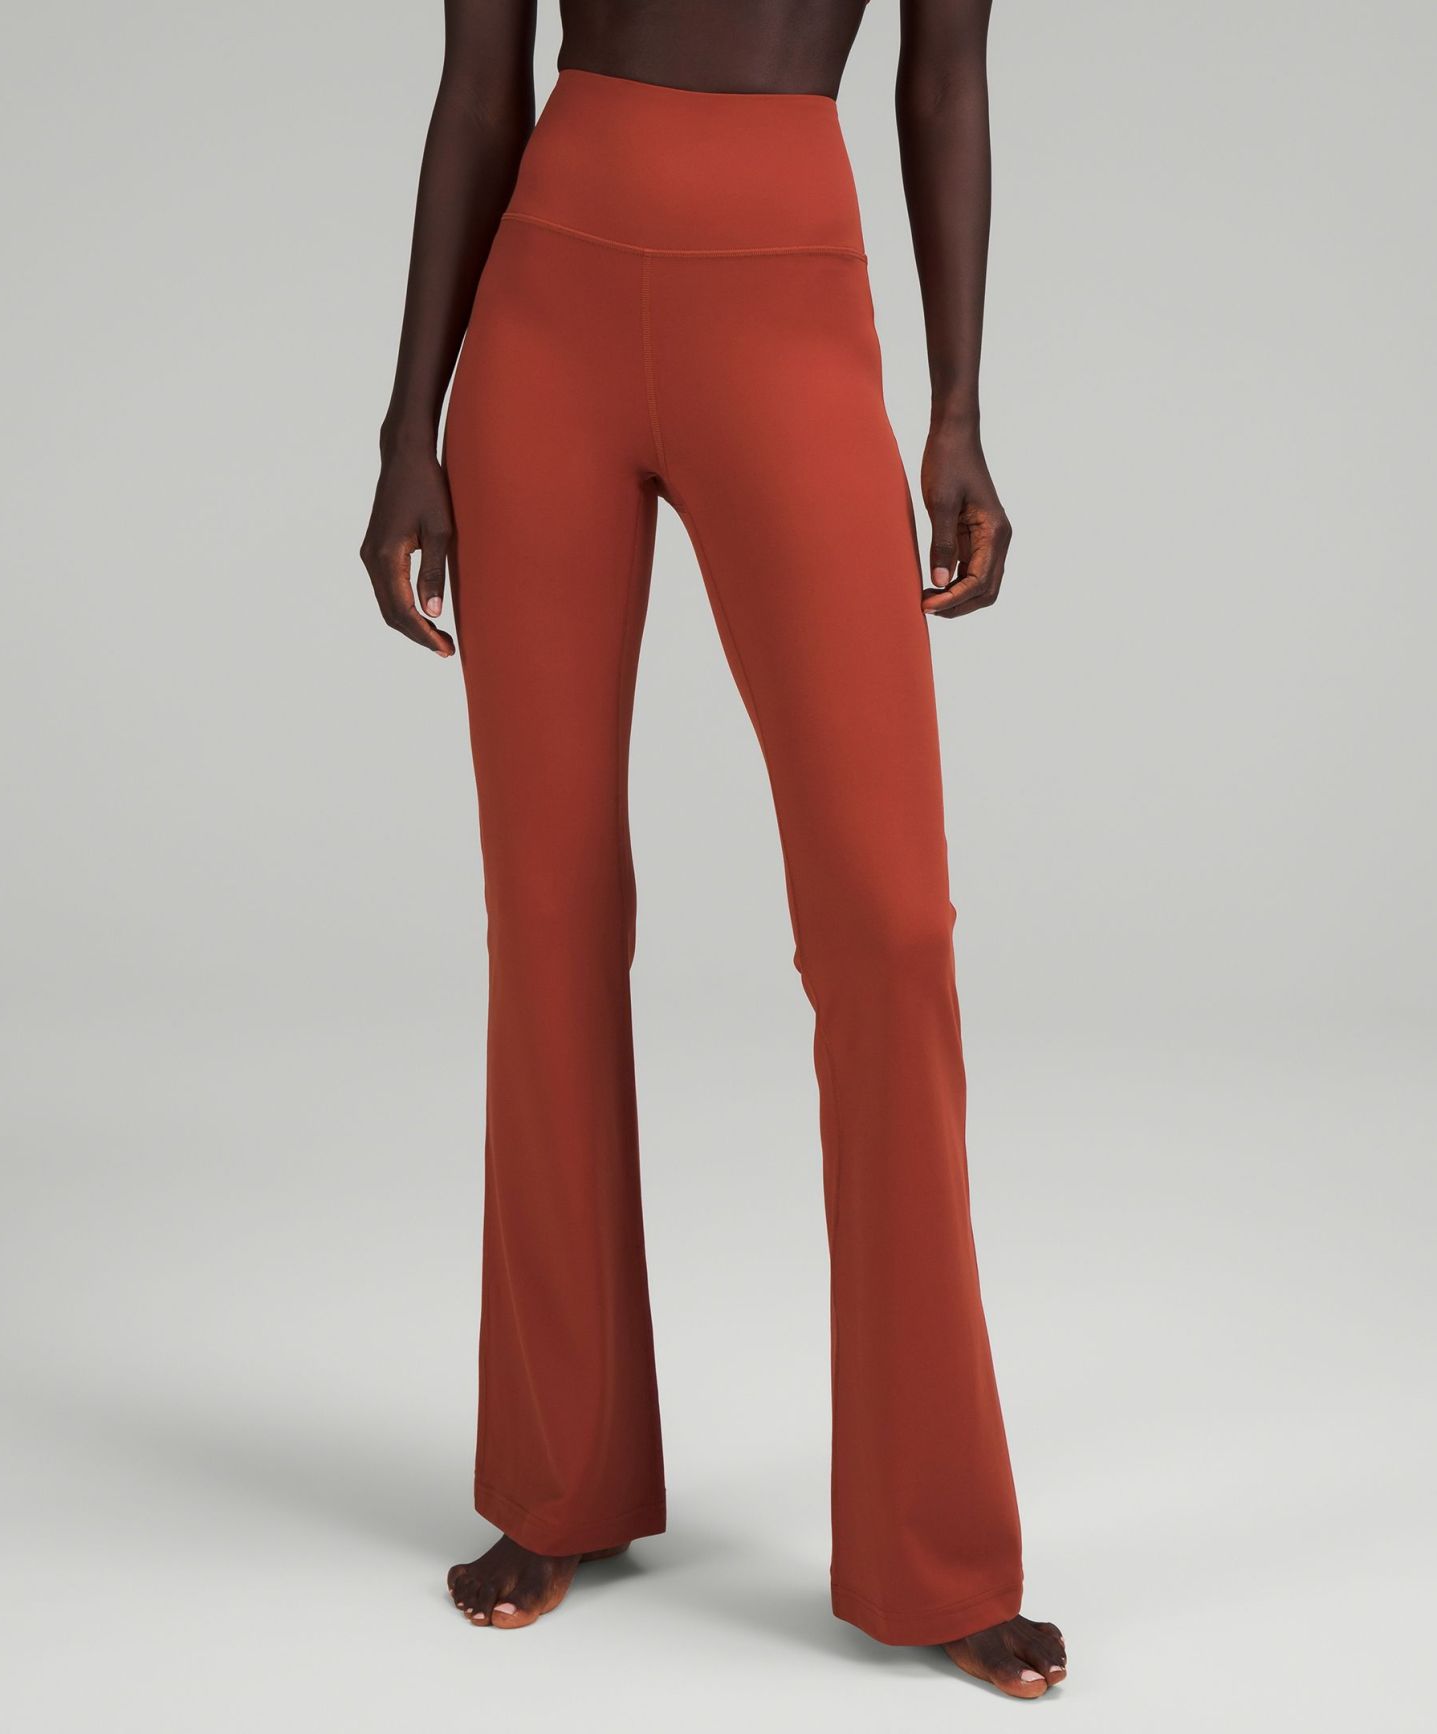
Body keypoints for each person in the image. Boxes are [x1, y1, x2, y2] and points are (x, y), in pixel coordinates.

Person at [360, 0, 1066, 1700]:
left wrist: (955, 409)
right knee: (547, 909)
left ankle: (932, 1546)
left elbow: (944, 81)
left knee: (886, 927)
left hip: (789, 304)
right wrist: (404, 432)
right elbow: (478, 88)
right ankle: (556, 1481)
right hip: (544, 315)